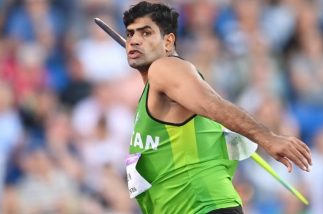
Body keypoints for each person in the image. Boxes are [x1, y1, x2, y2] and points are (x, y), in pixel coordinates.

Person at [122, 1, 312, 214]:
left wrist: (268, 138)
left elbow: (214, 105)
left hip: (204, 207)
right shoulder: (160, 93)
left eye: (146, 33)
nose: (135, 40)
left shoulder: (165, 68)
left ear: (168, 42)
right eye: (130, 34)